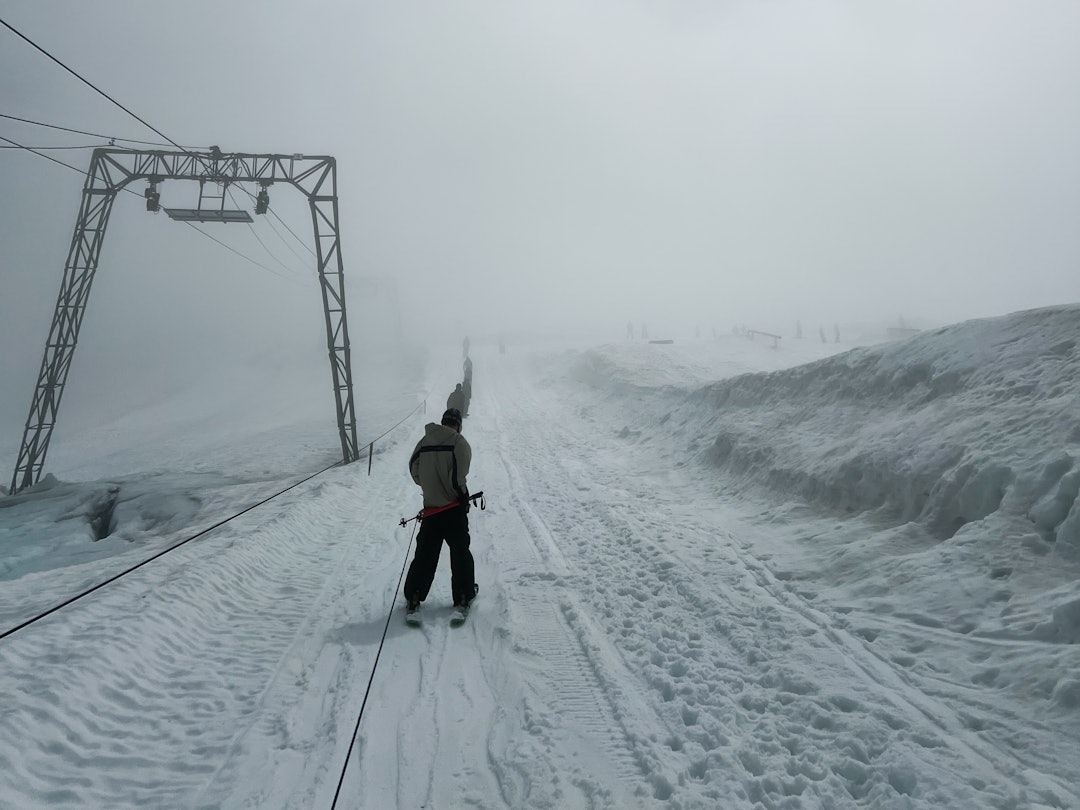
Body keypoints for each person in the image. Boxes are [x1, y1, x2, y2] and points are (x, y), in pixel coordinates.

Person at [403, 408, 477, 617]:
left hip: (431, 509)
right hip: (453, 509)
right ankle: (463, 595)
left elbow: (414, 469)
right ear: (458, 424)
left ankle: (414, 595)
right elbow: (458, 478)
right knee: (460, 552)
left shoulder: (423, 442)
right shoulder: (459, 443)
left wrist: (429, 486)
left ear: (443, 421)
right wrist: (462, 496)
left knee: (425, 554)